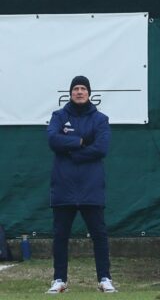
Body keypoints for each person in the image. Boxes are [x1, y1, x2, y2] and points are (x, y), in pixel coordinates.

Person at [46, 76, 116, 294]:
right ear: (70, 93)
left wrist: (72, 153)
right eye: (75, 88)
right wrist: (79, 141)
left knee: (99, 235)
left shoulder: (100, 119)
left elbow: (101, 148)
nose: (79, 92)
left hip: (91, 187)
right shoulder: (59, 116)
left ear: (89, 93)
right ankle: (59, 280)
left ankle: (105, 278)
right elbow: (52, 140)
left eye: (83, 88)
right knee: (60, 236)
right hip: (63, 186)